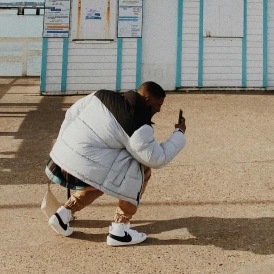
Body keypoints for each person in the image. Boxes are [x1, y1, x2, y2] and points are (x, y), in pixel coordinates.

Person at [44, 81, 186, 246]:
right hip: (80, 171)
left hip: (59, 162)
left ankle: (63, 214)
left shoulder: (101, 94)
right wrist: (179, 133)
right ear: (147, 100)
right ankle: (120, 229)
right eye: (158, 104)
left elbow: (70, 114)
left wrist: (62, 146)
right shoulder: (138, 124)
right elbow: (156, 159)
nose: (159, 109)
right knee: (140, 168)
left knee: (109, 172)